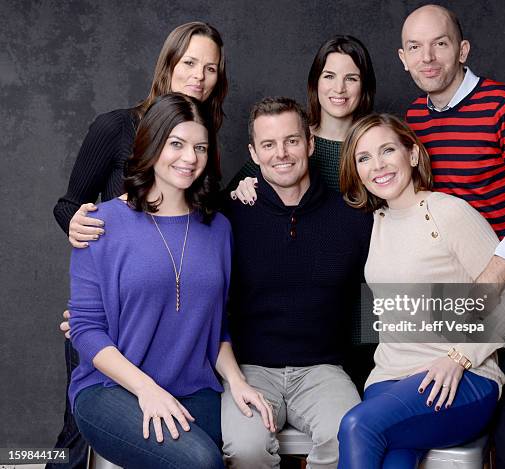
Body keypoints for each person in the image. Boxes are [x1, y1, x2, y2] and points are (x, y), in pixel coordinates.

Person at [50, 22, 228, 469]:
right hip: (115, 320)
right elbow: (72, 202)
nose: (199, 75)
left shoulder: (204, 150)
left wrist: (249, 188)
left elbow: (203, 237)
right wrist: (81, 230)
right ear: (167, 64)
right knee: (72, 447)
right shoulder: (115, 129)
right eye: (189, 63)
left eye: (210, 68)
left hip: (173, 339)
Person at [68, 93, 272, 469]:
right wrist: (147, 390)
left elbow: (216, 327)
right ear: (150, 144)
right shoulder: (100, 223)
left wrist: (237, 381)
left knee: (253, 448)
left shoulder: (218, 228)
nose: (190, 158)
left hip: (194, 388)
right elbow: (85, 329)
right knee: (199, 461)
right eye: (176, 144)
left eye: (200, 147)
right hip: (111, 390)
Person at [397, 5, 505, 467]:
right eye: (415, 47)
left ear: (462, 49)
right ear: (403, 58)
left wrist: (482, 290)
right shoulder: (413, 118)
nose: (428, 57)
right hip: (452, 305)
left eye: (440, 43)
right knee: (452, 442)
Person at [336, 113, 505, 469]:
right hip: (389, 380)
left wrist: (459, 357)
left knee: (356, 425)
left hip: (461, 380)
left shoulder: (449, 213)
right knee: (393, 460)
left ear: (412, 154)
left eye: (387, 150)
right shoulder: (372, 225)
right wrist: (247, 187)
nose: (378, 165)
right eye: (364, 158)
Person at [221, 97, 373, 468]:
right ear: (253, 154)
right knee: (245, 450)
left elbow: (396, 276)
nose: (281, 154)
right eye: (268, 145)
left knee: (350, 439)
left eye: (291, 141)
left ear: (310, 144)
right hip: (250, 370)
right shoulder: (230, 216)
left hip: (322, 370)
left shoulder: (353, 217)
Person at [229, 34, 375, 198]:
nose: (339, 88)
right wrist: (243, 187)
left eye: (351, 78)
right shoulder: (293, 140)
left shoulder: (374, 145)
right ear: (315, 82)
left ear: (364, 87)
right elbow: (224, 205)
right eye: (329, 76)